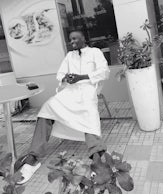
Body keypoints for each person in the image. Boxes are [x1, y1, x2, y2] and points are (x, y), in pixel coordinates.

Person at [15, 30, 110, 184]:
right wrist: (66, 78)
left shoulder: (95, 52)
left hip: (87, 90)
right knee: (47, 108)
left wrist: (83, 77)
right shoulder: (69, 56)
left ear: (83, 39)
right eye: (70, 40)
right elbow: (60, 74)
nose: (72, 42)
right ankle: (33, 157)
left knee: (89, 113)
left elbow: (104, 72)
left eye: (75, 39)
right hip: (69, 91)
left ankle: (97, 156)